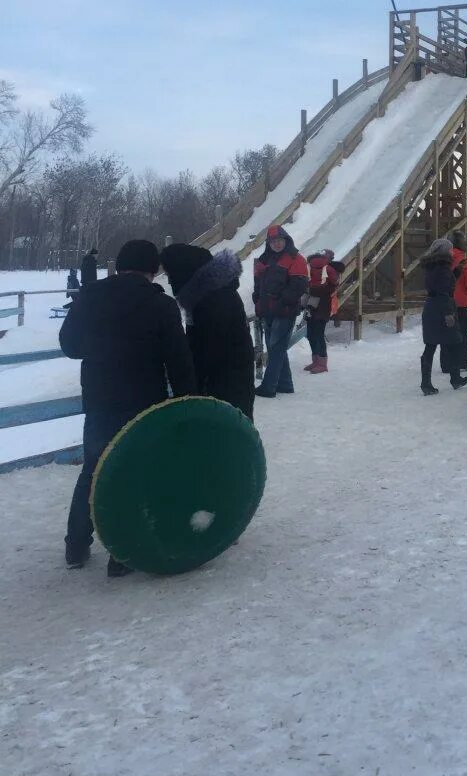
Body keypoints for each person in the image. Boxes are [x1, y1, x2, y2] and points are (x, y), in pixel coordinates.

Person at [60, 239, 196, 577]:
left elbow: (70, 345)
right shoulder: (160, 304)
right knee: (134, 472)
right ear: (153, 269)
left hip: (99, 398)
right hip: (142, 402)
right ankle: (121, 553)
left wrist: (101, 349)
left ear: (120, 264)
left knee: (94, 467)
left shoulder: (90, 295)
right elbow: (178, 361)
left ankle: (76, 545)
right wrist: (186, 403)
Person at [159, 243, 255, 419]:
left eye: (170, 274)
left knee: (226, 439)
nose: (170, 280)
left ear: (183, 271)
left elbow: (209, 352)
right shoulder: (203, 297)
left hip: (226, 387)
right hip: (223, 384)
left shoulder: (215, 301)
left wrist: (193, 385)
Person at [252, 224, 309, 399]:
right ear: (268, 243)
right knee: (275, 346)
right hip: (267, 310)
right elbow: (258, 285)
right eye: (273, 241)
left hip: (285, 310)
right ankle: (285, 384)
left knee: (276, 347)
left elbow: (298, 286)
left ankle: (269, 387)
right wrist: (258, 300)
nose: (277, 244)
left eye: (280, 240)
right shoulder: (263, 260)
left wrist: (281, 302)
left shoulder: (296, 259)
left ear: (286, 240)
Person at [420, 238, 467, 395]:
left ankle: (426, 383)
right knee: (454, 342)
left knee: (431, 346)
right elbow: (443, 292)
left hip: (431, 308)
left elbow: (441, 284)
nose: (451, 251)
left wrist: (457, 271)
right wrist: (448, 313)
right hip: (441, 309)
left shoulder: (433, 267)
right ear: (443, 251)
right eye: (450, 249)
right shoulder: (443, 268)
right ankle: (455, 378)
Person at [305, 248, 346, 374]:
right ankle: (322, 363)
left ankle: (316, 360)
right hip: (324, 304)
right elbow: (334, 283)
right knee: (319, 334)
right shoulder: (330, 269)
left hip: (310, 302)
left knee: (311, 333)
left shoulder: (308, 266)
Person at [441, 231, 467, 373]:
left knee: (447, 331)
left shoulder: (443, 260)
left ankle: (446, 363)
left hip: (445, 301)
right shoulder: (464, 260)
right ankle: (463, 361)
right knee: (463, 332)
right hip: (461, 302)